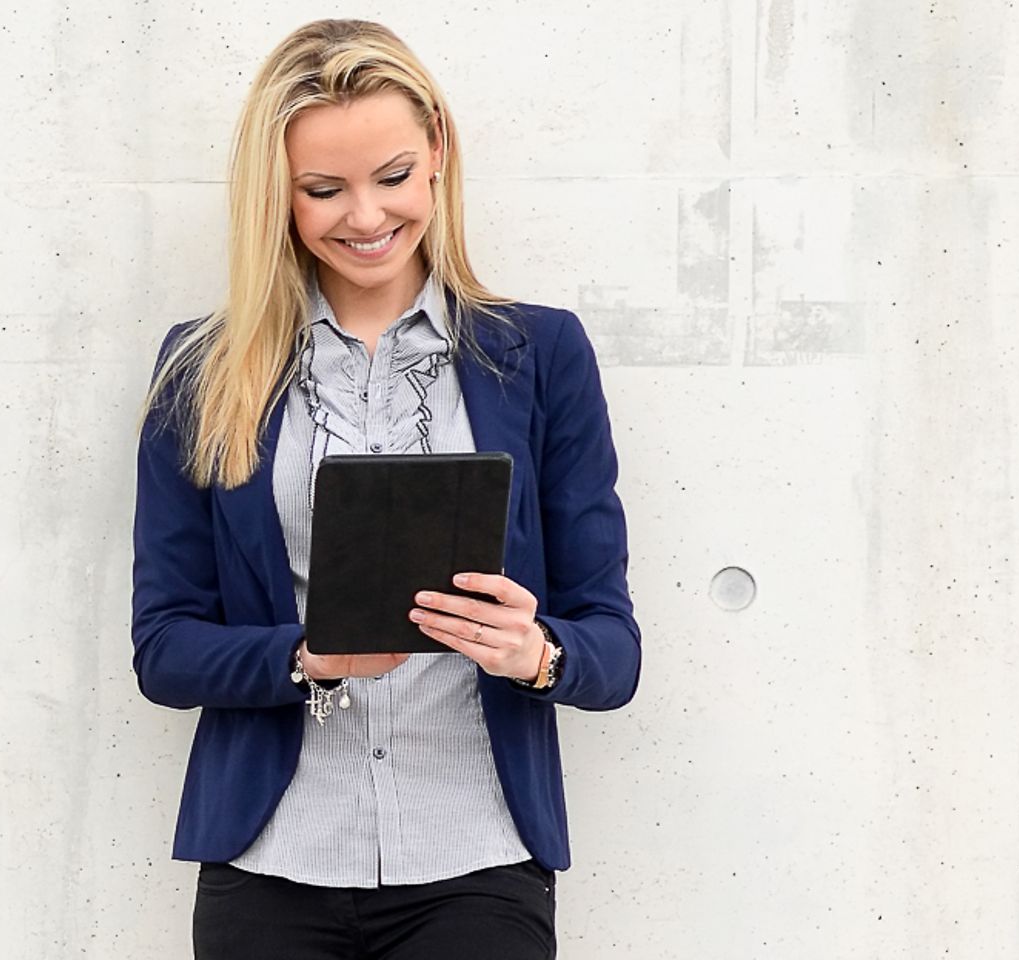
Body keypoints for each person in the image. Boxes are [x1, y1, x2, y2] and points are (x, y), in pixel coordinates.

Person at [131, 18, 640, 959]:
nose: (365, 218)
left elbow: (613, 647)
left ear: (438, 152)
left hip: (478, 861)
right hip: (269, 862)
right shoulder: (200, 370)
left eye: (392, 177)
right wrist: (304, 656)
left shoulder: (541, 356)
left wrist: (534, 652)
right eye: (323, 190)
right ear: (275, 196)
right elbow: (163, 649)